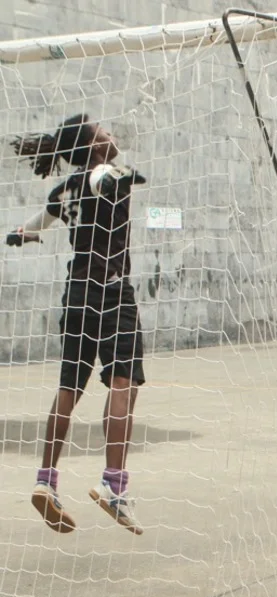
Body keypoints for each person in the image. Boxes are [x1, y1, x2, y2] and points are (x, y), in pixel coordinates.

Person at [9, 114, 147, 534]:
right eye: (103, 131)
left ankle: (46, 480)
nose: (112, 134)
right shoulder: (106, 174)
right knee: (124, 381)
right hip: (111, 290)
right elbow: (110, 178)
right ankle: (113, 485)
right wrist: (110, 175)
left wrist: (20, 233)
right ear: (93, 145)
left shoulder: (63, 189)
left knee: (69, 387)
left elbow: (39, 222)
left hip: (76, 295)